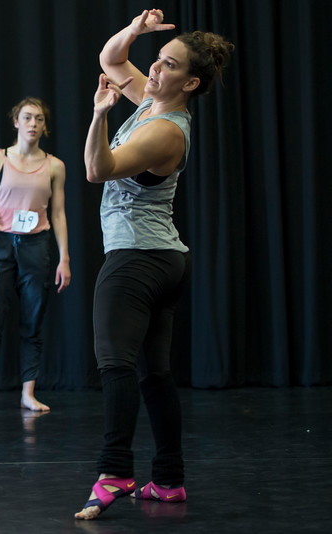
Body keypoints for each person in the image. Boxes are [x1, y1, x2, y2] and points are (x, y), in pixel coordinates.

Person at [75, 10, 233, 520]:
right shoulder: (150, 99)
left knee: (115, 365)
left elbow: (96, 169)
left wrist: (99, 115)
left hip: (137, 260)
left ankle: (115, 471)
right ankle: (168, 481)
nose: (155, 69)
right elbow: (111, 58)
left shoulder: (165, 130)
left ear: (190, 83)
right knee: (154, 375)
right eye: (158, 60)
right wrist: (136, 31)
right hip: (162, 258)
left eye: (168, 65)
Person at [0, 97, 71, 414]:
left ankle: (28, 394)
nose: (33, 123)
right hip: (1, 243)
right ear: (16, 122)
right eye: (27, 117)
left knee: (32, 322)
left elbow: (58, 213)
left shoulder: (55, 166)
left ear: (45, 126)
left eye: (39, 119)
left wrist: (64, 257)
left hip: (37, 245)